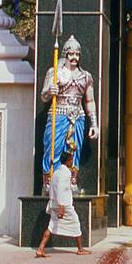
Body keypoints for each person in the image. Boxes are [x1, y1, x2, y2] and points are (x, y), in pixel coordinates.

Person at [40, 36, 98, 189]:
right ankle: (49, 180)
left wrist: (94, 124)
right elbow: (43, 96)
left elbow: (89, 101)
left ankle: (72, 181)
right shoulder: (54, 73)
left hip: (78, 116)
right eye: (71, 54)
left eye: (77, 54)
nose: (74, 57)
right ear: (65, 54)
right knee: (53, 147)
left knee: (74, 150)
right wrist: (50, 90)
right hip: (58, 114)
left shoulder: (85, 76)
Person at [37, 150, 91, 257]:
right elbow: (61, 189)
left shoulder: (56, 173)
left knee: (51, 226)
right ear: (68, 161)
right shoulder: (65, 173)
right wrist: (61, 206)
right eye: (71, 160)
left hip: (54, 204)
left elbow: (53, 189)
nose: (72, 162)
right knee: (76, 223)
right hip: (63, 205)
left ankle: (40, 249)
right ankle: (80, 249)